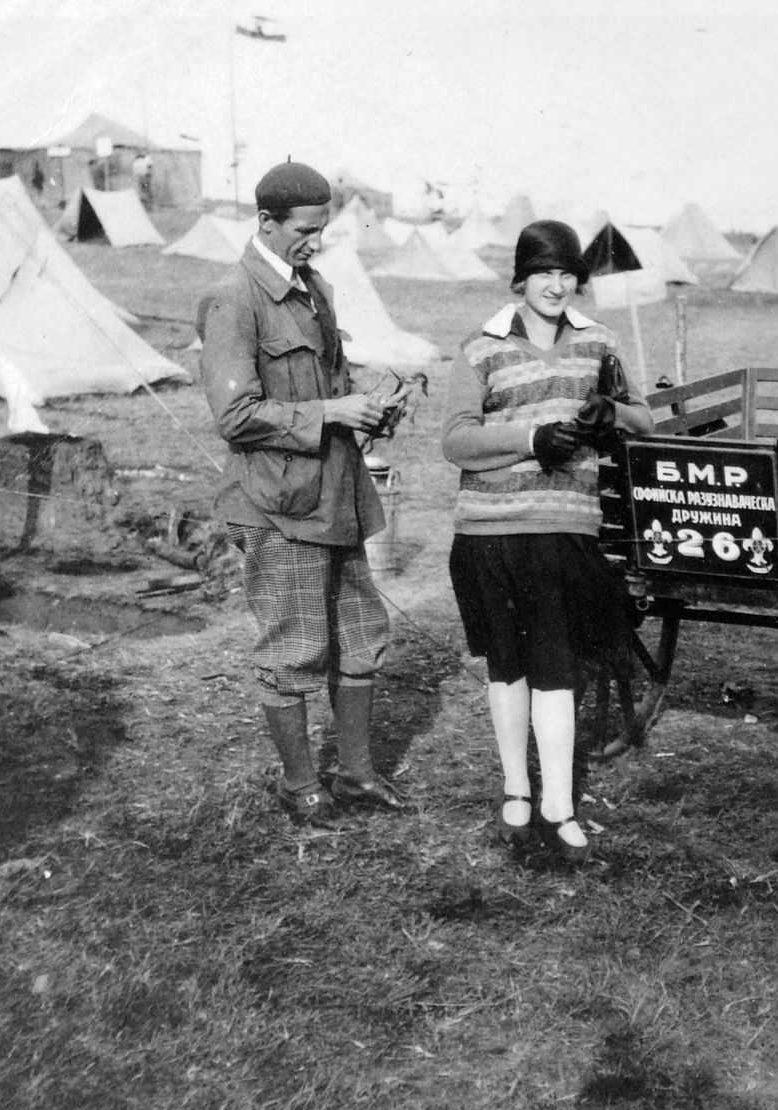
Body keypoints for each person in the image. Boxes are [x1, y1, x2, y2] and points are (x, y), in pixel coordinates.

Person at [200, 160, 407, 827]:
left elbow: (330, 383)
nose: (314, 242)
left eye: (320, 230)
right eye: (304, 230)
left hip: (337, 494)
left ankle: (355, 772)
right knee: (294, 647)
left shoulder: (314, 288)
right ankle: (299, 784)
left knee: (360, 633)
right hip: (279, 505)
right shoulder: (235, 297)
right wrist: (332, 414)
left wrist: (371, 403)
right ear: (266, 222)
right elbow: (234, 418)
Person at [442, 221, 653, 863]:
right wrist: (531, 439)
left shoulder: (599, 343)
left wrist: (606, 414)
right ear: (521, 280)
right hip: (489, 530)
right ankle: (515, 790)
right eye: (544, 275)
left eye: (567, 275)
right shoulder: (482, 346)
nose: (557, 286)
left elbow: (642, 417)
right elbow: (455, 440)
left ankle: (559, 807)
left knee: (557, 670)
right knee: (506, 666)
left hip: (563, 531)